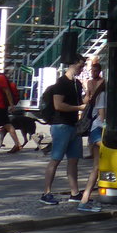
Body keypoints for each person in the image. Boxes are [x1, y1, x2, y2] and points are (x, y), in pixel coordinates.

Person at [40, 60, 84, 205]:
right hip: (61, 125)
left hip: (73, 125)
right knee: (56, 159)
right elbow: (58, 105)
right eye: (80, 65)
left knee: (73, 160)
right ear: (73, 64)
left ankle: (75, 193)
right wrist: (79, 108)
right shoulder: (61, 83)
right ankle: (46, 193)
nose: (82, 69)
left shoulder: (77, 84)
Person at [77, 70, 107, 213]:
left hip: (97, 132)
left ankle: (86, 198)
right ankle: (85, 199)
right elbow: (102, 119)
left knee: (97, 167)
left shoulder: (102, 95)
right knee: (100, 165)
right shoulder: (103, 95)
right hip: (98, 132)